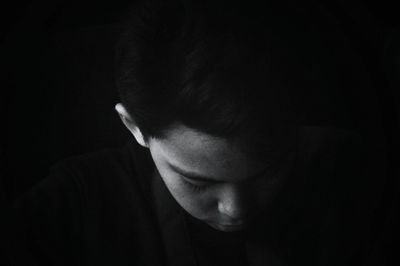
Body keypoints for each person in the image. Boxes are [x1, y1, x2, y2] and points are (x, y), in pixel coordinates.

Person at [10, 0, 386, 265]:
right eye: (195, 181)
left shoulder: (349, 171)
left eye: (269, 171)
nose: (235, 210)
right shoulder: (68, 207)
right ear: (133, 126)